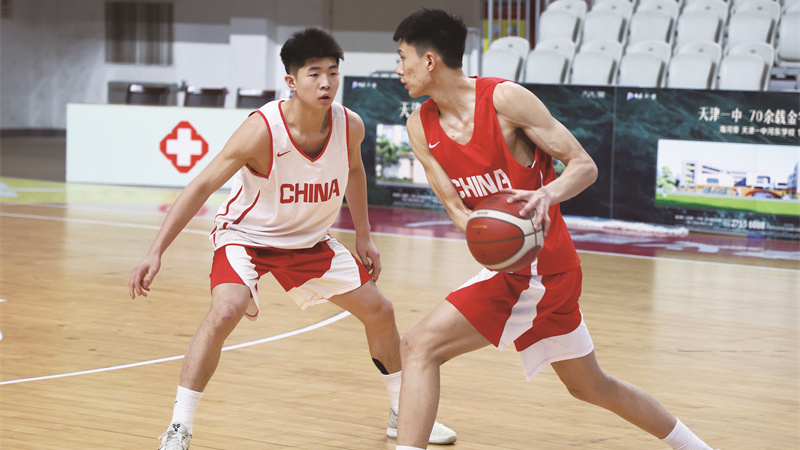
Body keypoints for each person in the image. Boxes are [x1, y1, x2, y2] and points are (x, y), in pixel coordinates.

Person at [391, 8, 718, 450]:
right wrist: (485, 236)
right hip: (517, 270)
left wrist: (546, 195)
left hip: (542, 271)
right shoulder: (419, 126)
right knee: (590, 386)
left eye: (403, 57)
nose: (399, 69)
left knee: (418, 347)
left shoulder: (504, 100)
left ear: (429, 60)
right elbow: (455, 208)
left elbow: (584, 165)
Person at [128, 28, 456, 450]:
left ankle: (401, 412)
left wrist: (364, 236)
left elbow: (355, 172)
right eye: (314, 74)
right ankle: (179, 426)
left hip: (309, 242)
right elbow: (201, 186)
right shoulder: (261, 130)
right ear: (291, 81)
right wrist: (155, 251)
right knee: (226, 310)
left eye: (332, 73)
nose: (326, 83)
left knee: (380, 311)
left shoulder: (349, 125)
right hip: (247, 238)